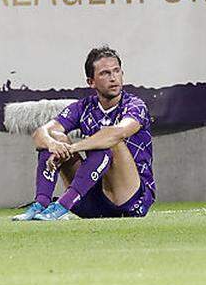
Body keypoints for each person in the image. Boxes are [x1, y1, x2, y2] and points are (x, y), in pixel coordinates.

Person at [14, 46, 156, 221]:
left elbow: (116, 133)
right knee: (55, 137)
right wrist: (55, 146)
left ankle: (62, 206)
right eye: (105, 73)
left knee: (108, 142)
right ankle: (40, 204)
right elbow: (40, 134)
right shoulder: (83, 107)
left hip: (130, 200)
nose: (113, 78)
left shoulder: (135, 105)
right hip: (91, 200)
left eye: (116, 71)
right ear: (91, 82)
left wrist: (72, 148)